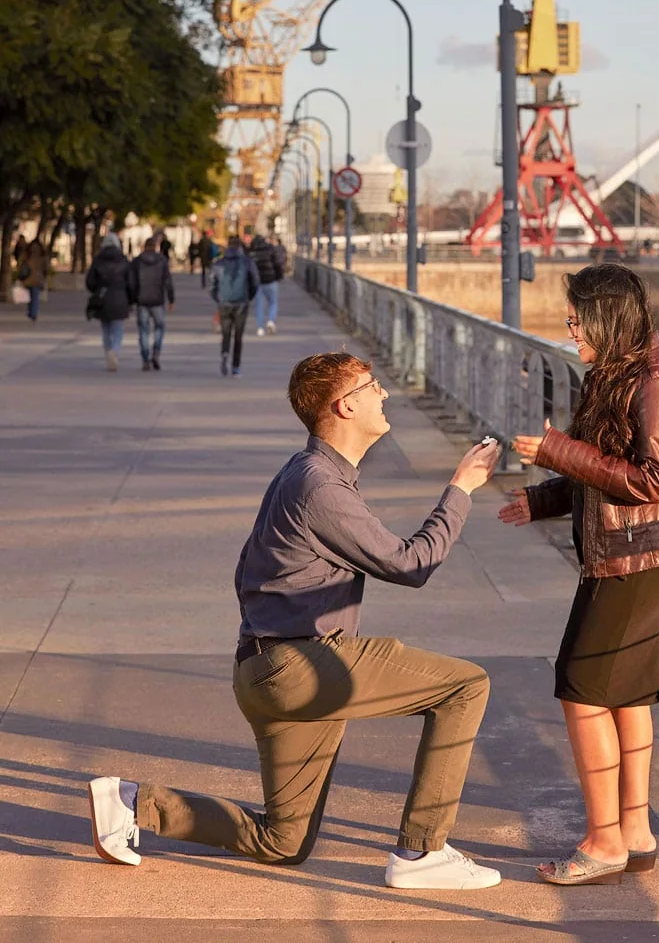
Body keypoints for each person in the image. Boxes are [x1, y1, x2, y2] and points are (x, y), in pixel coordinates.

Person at [87, 351, 502, 889]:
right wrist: (462, 489)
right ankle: (422, 853)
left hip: (265, 670)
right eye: (373, 386)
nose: (385, 394)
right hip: (300, 665)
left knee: (282, 843)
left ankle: (133, 804)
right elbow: (411, 563)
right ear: (344, 405)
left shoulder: (305, 474)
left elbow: (246, 570)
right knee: (466, 686)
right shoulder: (320, 487)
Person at [499, 264, 659, 886]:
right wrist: (542, 499)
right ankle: (635, 831)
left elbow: (653, 480)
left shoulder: (657, 383)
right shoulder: (619, 371)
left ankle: (602, 843)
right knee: (626, 690)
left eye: (576, 319)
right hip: (635, 550)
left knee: (582, 688)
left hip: (640, 557)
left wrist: (555, 450)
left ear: (608, 319)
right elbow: (606, 468)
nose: (569, 329)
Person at [209, 235, 258, 376]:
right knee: (238, 336)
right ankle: (236, 366)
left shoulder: (219, 263)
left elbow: (211, 284)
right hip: (241, 303)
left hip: (224, 303)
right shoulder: (247, 262)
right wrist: (249, 297)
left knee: (225, 333)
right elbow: (255, 281)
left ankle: (224, 354)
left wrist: (218, 298)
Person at [85, 232, 132, 372]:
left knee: (105, 329)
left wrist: (97, 290)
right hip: (119, 298)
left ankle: (108, 352)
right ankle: (115, 351)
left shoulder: (98, 260)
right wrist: (130, 298)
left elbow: (90, 281)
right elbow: (131, 282)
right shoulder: (123, 260)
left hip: (103, 298)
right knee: (118, 330)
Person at [130, 236, 175, 372]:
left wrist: (132, 299)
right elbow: (168, 281)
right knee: (159, 327)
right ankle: (156, 352)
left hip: (142, 300)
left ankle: (145, 359)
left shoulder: (137, 261)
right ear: (155, 246)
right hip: (157, 300)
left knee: (143, 330)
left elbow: (132, 283)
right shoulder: (162, 261)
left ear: (144, 246)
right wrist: (171, 299)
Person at [247, 233, 284, 337]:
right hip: (271, 280)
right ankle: (271, 322)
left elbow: (250, 270)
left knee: (259, 305)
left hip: (258, 282)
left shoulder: (252, 253)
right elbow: (277, 264)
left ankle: (260, 329)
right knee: (273, 302)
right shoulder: (270, 250)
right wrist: (279, 276)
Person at [18, 238, 49, 322]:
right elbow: (46, 268)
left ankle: (31, 312)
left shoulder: (27, 253)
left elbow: (20, 264)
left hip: (27, 278)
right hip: (38, 278)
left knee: (30, 297)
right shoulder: (42, 254)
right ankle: (33, 313)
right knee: (35, 297)